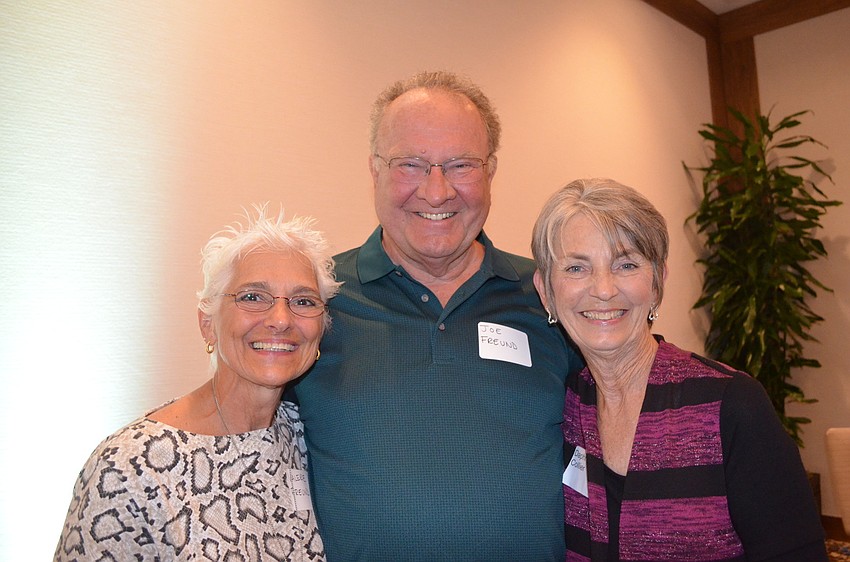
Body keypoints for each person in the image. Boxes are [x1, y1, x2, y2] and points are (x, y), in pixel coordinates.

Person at [290, 71, 584, 561]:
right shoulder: (316, 299)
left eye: (460, 165)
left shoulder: (550, 295)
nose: (437, 191)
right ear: (374, 170)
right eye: (411, 164)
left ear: (490, 171)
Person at [531, 178, 827, 561]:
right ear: (545, 291)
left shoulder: (731, 404)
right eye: (576, 267)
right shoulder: (562, 406)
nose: (603, 289)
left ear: (657, 282)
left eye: (626, 264)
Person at [55, 205, 339, 561]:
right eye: (253, 297)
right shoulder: (129, 466)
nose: (281, 319)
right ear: (208, 323)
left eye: (303, 301)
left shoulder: (307, 438)